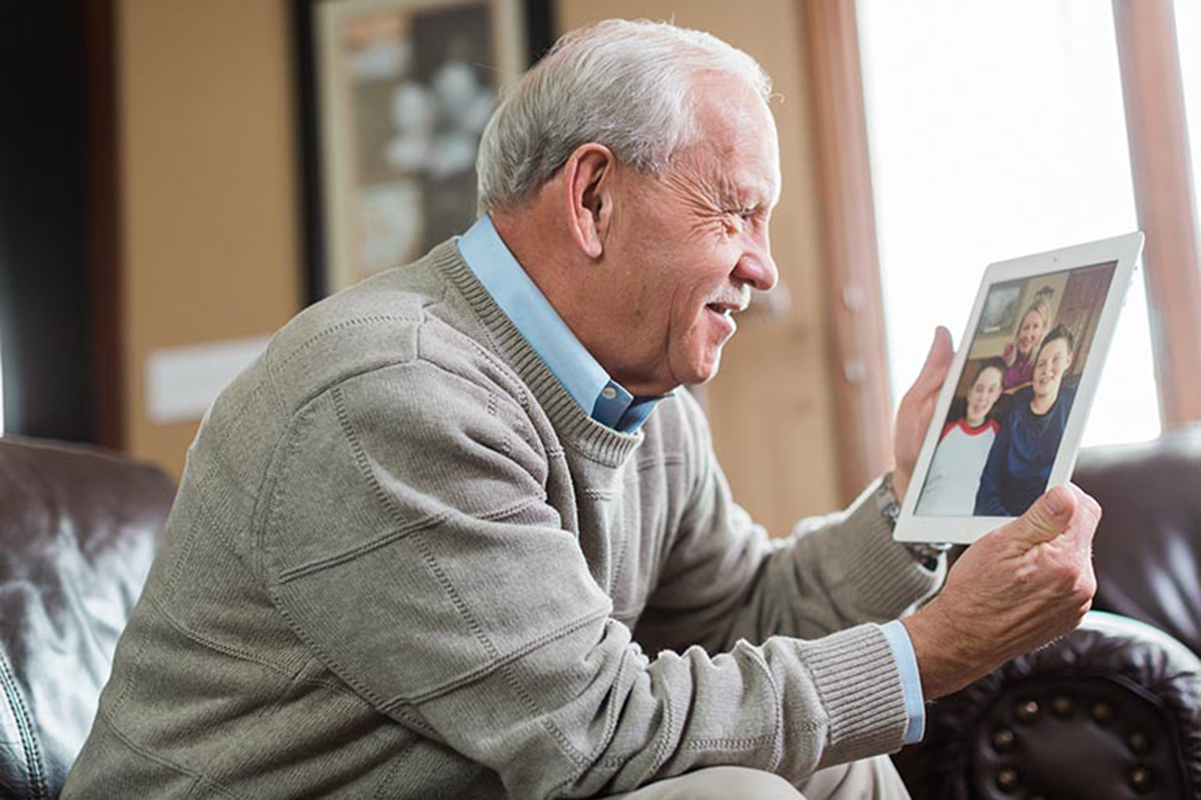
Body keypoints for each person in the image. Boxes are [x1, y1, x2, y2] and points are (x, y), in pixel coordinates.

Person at [63, 20, 1100, 800]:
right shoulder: (388, 393)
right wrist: (932, 649)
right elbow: (594, 730)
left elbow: (743, 613)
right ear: (592, 197)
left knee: (836, 757)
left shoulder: (636, 392)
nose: (764, 264)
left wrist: (913, 504)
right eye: (734, 209)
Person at [976, 326, 1078, 517]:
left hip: (1054, 521)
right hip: (1008, 523)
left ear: (1068, 361)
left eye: (1056, 359)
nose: (1046, 369)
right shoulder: (1013, 419)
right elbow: (988, 486)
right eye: (1041, 364)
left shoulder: (1075, 406)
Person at [915, 357, 1005, 515]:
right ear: (969, 393)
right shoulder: (944, 430)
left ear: (997, 395)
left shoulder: (998, 436)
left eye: (991, 390)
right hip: (923, 516)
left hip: (961, 530)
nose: (982, 397)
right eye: (979, 389)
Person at [1001, 298, 1051, 390]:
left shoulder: (1044, 360)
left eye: (1035, 327)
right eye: (1025, 327)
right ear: (1019, 331)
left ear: (1042, 332)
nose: (1028, 335)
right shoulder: (1009, 351)